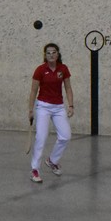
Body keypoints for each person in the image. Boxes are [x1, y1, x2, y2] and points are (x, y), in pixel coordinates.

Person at [28, 43, 74, 183]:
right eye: (48, 53)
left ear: (58, 54)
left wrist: (71, 105)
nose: (51, 55)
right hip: (43, 106)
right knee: (41, 137)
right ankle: (35, 169)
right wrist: (30, 109)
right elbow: (33, 91)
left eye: (54, 52)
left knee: (65, 136)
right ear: (45, 55)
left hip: (59, 107)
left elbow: (68, 88)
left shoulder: (63, 69)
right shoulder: (40, 70)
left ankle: (52, 160)